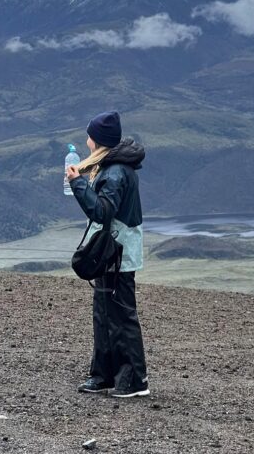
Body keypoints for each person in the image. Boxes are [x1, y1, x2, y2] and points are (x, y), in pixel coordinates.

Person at [65, 110, 150, 398]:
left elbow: (102, 211)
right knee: (104, 314)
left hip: (117, 253)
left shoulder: (114, 173)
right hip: (111, 253)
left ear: (98, 140)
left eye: (89, 136)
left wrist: (78, 183)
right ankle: (103, 375)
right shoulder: (115, 168)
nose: (87, 140)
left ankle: (134, 380)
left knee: (121, 315)